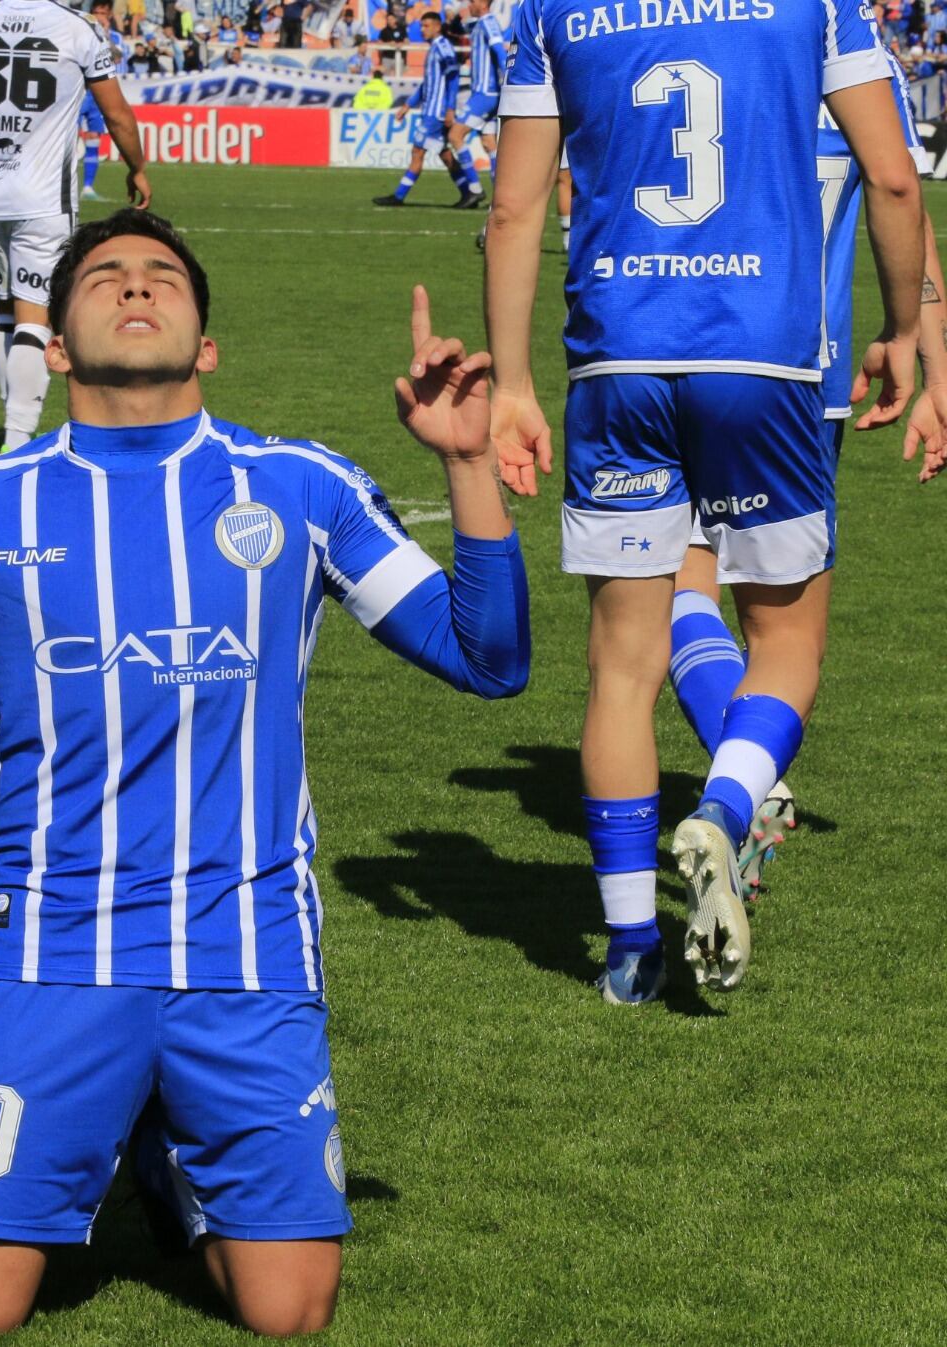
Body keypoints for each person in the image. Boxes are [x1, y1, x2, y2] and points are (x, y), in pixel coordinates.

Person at [0, 210, 529, 1338]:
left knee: (289, 1313)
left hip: (245, 946)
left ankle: (163, 1154)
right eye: (103, 277)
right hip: (49, 947)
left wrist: (467, 468)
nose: (135, 287)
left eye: (163, 276)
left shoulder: (302, 490)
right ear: (54, 345)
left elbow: (489, 659)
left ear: (206, 344)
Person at [485, 0, 923, 1000]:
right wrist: (907, 330)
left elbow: (513, 212)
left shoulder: (551, 12)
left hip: (615, 363)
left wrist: (511, 382)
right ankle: (726, 813)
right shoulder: (815, 6)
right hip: (765, 362)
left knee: (620, 667)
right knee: (786, 643)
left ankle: (629, 946)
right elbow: (893, 177)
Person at [665, 45, 947, 902]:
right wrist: (933, 365)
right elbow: (903, 200)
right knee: (786, 636)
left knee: (680, 589)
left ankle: (739, 789)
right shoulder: (854, 50)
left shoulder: (682, 28)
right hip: (800, 378)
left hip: (661, 353)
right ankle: (741, 789)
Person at [0, 0, 151, 451]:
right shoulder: (77, 28)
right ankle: (15, 441)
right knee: (36, 318)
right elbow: (117, 113)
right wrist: (138, 167)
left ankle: (12, 416)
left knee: (5, 312)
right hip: (44, 198)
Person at [372, 12, 481, 209]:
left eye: (427, 26)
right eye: (421, 26)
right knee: (444, 154)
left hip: (436, 113)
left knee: (418, 151)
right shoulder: (433, 48)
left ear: (437, 27)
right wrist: (408, 104)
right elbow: (427, 83)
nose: (422, 29)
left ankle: (398, 196)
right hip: (432, 110)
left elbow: (454, 77)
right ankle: (469, 193)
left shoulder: (443, 47)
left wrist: (449, 109)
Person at [446, 0, 506, 196]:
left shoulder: (489, 22)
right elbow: (455, 28)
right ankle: (500, 193)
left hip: (485, 94)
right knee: (489, 143)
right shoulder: (478, 23)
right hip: (487, 95)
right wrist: (455, 15)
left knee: (455, 135)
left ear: (482, 3)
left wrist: (508, 78)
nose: (469, 4)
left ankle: (474, 188)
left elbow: (499, 50)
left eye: (472, 1)